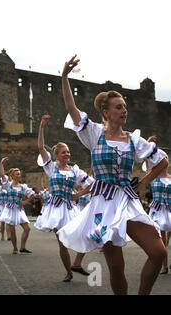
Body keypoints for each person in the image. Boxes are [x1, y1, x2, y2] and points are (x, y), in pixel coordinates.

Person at [57, 55, 168, 294]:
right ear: (106, 113)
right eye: (119, 107)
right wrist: (65, 76)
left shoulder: (133, 139)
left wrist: (144, 182)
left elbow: (162, 160)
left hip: (128, 200)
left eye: (125, 107)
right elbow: (71, 108)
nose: (124, 110)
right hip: (103, 204)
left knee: (158, 252)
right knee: (116, 267)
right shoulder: (93, 133)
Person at [36, 114, 94, 282]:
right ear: (56, 155)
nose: (67, 154)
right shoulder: (51, 167)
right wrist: (41, 126)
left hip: (70, 207)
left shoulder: (74, 170)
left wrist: (77, 194)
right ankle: (69, 272)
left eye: (68, 152)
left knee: (86, 233)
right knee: (62, 242)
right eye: (63, 152)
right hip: (55, 208)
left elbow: (90, 185)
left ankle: (77, 263)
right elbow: (40, 147)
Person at [143, 137, 171, 274]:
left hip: (169, 209)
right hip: (157, 210)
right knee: (160, 238)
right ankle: (163, 265)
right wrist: (148, 143)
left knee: (165, 237)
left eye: (165, 159)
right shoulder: (153, 176)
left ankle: (166, 265)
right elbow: (147, 162)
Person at [0, 158, 35, 254]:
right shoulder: (8, 185)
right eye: (17, 174)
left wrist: (25, 202)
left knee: (27, 228)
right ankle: (15, 248)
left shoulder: (23, 187)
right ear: (12, 176)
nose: (19, 175)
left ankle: (22, 247)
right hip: (10, 209)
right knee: (12, 230)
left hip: (19, 209)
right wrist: (1, 164)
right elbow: (2, 175)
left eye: (19, 174)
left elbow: (32, 195)